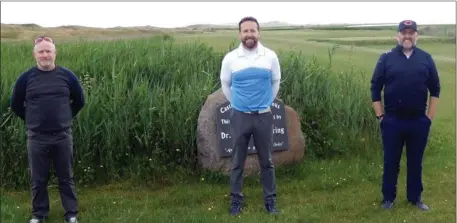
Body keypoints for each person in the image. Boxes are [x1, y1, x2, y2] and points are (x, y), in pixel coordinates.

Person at [10, 36, 85, 223]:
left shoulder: (67, 76)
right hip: (36, 137)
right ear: (34, 54)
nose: (45, 55)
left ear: (55, 52)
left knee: (66, 177)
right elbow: (16, 104)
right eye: (41, 51)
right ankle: (39, 214)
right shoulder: (25, 78)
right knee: (38, 179)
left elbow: (79, 101)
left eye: (48, 51)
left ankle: (71, 214)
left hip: (62, 136)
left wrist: (65, 117)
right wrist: (32, 120)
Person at [370, 20, 440, 211]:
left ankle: (415, 197)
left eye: (411, 32)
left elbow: (435, 89)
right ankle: (388, 198)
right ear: (397, 36)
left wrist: (429, 118)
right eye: (404, 32)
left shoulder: (426, 58)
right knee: (390, 161)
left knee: (415, 161)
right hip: (392, 120)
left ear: (416, 35)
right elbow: (375, 88)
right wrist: (380, 116)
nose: (407, 36)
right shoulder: (386, 58)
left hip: (418, 121)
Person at [220, 16, 281, 216]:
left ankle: (270, 201)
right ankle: (236, 201)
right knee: (237, 162)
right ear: (240, 34)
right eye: (245, 31)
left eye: (252, 31)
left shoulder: (270, 56)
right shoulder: (230, 58)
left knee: (267, 162)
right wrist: (238, 104)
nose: (249, 35)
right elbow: (226, 85)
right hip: (240, 116)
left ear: (259, 32)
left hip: (263, 115)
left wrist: (265, 103)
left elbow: (275, 82)